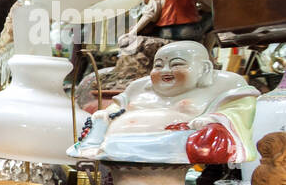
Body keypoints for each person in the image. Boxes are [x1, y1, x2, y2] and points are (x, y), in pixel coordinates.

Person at [70, 40, 257, 165]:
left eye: (176, 64)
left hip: (170, 147)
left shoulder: (225, 84)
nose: (165, 70)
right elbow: (117, 106)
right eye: (158, 65)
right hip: (113, 148)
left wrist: (215, 119)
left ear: (204, 68)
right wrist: (106, 113)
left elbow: (240, 110)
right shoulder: (139, 86)